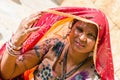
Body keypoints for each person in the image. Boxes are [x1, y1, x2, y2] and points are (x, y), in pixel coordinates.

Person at [0, 7, 114, 80]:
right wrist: (16, 41)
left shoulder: (95, 75)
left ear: (98, 42)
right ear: (71, 27)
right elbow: (7, 74)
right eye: (79, 29)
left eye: (91, 36)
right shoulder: (52, 46)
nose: (83, 38)